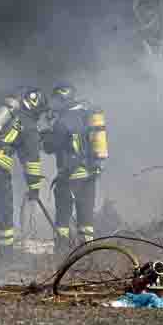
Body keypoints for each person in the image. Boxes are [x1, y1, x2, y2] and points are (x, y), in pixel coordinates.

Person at [0, 87, 46, 264]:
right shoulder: (28, 124)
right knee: (4, 209)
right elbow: (32, 161)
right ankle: (6, 257)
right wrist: (34, 188)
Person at [42, 82, 108, 255]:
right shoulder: (86, 115)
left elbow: (50, 146)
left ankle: (61, 255)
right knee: (86, 222)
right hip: (90, 175)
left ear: (62, 98)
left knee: (62, 220)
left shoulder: (62, 121)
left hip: (69, 177)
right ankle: (88, 257)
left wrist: (46, 132)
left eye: (56, 100)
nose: (54, 104)